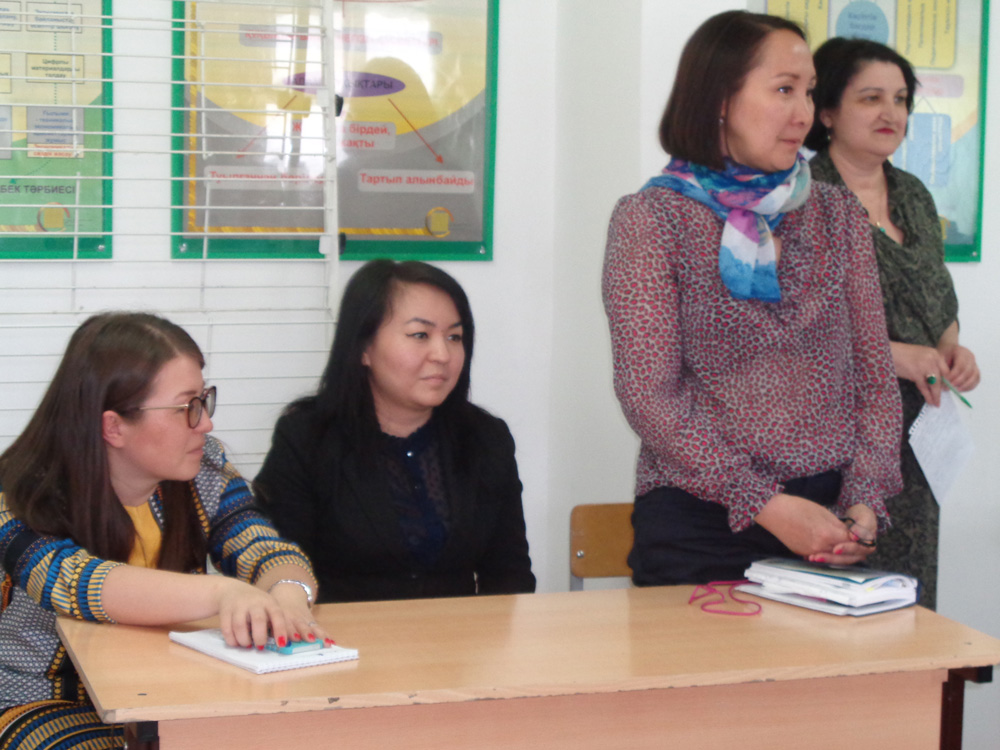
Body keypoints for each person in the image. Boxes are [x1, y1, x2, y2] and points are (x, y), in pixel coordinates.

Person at [602, 11, 904, 586]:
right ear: (720, 99)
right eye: (784, 90)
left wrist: (864, 501)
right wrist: (763, 503)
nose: (804, 114)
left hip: (829, 521)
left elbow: (875, 379)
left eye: (809, 92)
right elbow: (649, 395)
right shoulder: (653, 218)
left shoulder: (838, 213)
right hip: (702, 521)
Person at [0, 312, 327, 750]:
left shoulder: (203, 468)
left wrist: (288, 598)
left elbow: (261, 545)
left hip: (167, 692)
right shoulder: (16, 495)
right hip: (42, 701)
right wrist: (223, 593)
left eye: (204, 400)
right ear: (113, 426)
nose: (205, 423)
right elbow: (76, 581)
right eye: (185, 408)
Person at [806, 38, 980, 608]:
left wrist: (952, 350)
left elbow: (937, 298)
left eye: (901, 99)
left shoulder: (914, 195)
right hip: (837, 436)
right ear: (827, 112)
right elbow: (794, 333)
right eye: (871, 98)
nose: (891, 113)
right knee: (838, 606)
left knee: (908, 601)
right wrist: (894, 356)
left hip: (918, 438)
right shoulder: (804, 201)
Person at [253, 259, 535, 603]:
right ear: (364, 348)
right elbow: (278, 565)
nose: (442, 354)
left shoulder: (486, 438)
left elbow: (509, 574)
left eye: (454, 337)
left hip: (461, 634)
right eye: (420, 335)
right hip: (337, 632)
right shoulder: (307, 438)